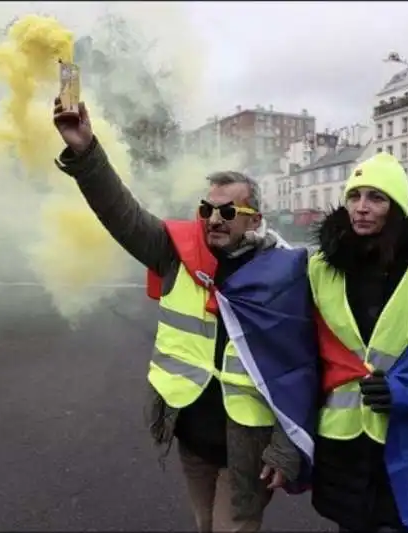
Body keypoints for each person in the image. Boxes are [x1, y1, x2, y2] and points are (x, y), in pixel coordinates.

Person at [52, 99, 306, 531]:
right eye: (207, 209)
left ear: (255, 219)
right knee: (204, 525)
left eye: (228, 212)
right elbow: (121, 214)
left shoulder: (284, 274)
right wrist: (85, 150)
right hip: (191, 436)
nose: (214, 220)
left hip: (247, 447)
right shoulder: (178, 255)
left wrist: (287, 447)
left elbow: (298, 367)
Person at [307, 153, 408, 533]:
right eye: (355, 196)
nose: (362, 208)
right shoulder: (319, 266)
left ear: (396, 207)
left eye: (376, 198)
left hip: (400, 435)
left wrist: (402, 391)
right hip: (341, 433)